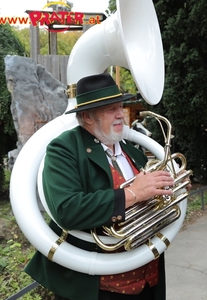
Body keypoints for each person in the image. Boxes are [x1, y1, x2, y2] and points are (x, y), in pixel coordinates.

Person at [25, 73, 176, 300]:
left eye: (120, 105)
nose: (120, 114)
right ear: (86, 116)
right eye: (110, 109)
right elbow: (68, 209)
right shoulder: (63, 148)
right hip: (97, 286)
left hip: (147, 277)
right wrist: (133, 193)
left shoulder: (131, 149)